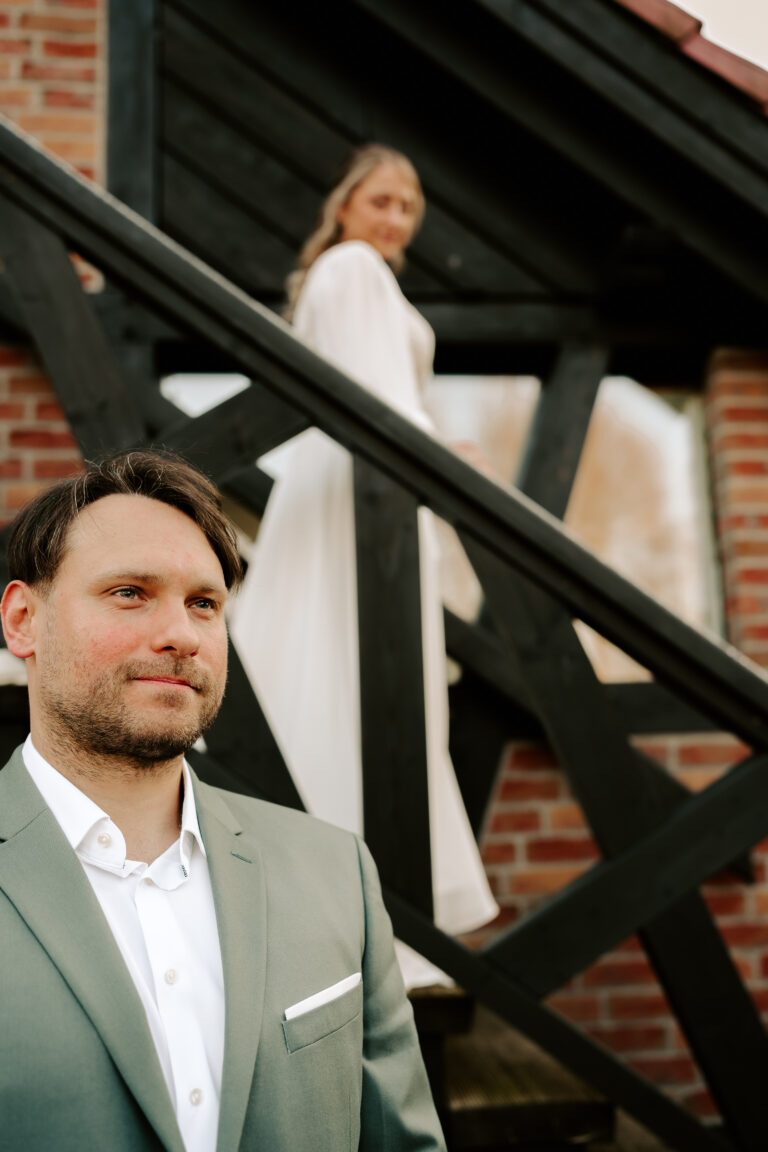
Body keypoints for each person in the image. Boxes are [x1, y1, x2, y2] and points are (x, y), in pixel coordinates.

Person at [0, 450, 445, 1152]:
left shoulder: (336, 872)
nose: (181, 634)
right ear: (23, 619)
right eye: (130, 592)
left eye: (204, 604)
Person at [230, 145, 498, 986]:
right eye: (381, 200)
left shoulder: (350, 278)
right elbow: (379, 397)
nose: (395, 219)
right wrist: (436, 457)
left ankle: (333, 905)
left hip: (357, 482)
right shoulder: (350, 269)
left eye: (407, 208)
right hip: (365, 491)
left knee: (344, 669)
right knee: (358, 670)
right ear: (344, 206)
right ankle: (361, 911)